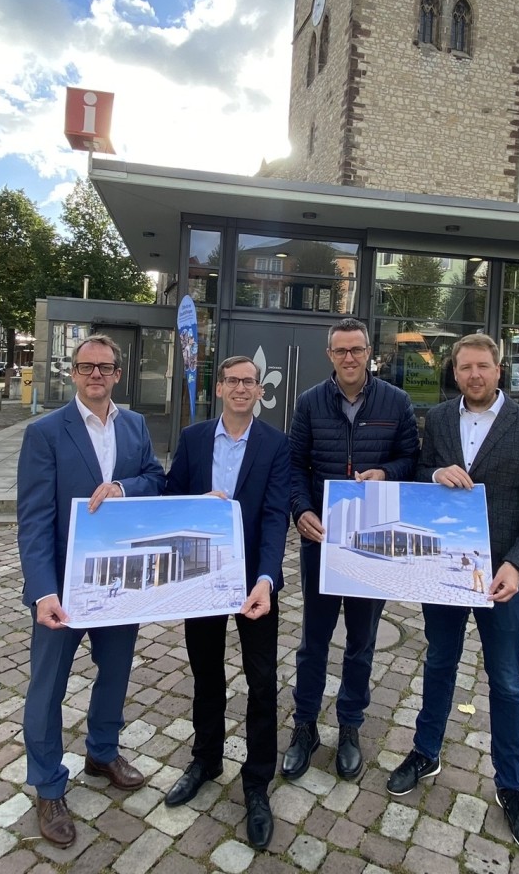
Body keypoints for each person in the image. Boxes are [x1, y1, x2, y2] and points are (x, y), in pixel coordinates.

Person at [385, 333, 519, 853]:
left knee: (505, 681)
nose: (474, 375)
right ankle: (425, 750)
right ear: (454, 371)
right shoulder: (438, 419)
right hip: (446, 569)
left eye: (483, 366)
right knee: (439, 661)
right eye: (465, 367)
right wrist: (435, 471)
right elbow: (419, 473)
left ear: (498, 370)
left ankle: (511, 785)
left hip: (502, 576)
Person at [16, 334, 166, 848]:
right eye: (86, 367)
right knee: (47, 688)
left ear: (117, 374)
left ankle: (102, 752)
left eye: (104, 367)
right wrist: (42, 592)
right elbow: (33, 519)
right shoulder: (45, 433)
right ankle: (48, 785)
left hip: (120, 583)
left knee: (116, 673)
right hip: (63, 589)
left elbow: (155, 478)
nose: (95, 375)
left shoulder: (136, 426)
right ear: (73, 373)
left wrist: (125, 488)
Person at [163, 355, 291, 850]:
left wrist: (267, 579)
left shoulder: (275, 444)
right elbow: (173, 498)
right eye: (233, 381)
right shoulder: (195, 440)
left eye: (249, 382)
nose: (241, 389)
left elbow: (277, 513)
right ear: (218, 389)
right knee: (206, 672)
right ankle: (206, 758)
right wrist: (198, 507)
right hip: (202, 580)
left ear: (260, 391)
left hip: (255, 585)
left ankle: (256, 782)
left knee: (262, 682)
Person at [284, 317, 418, 781]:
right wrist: (300, 509)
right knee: (313, 641)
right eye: (340, 351)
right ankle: (304, 727)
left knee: (361, 642)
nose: (349, 358)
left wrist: (387, 473)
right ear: (330, 355)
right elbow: (294, 465)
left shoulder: (396, 402)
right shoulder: (308, 403)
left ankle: (350, 725)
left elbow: (411, 460)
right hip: (322, 537)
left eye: (356, 350)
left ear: (369, 353)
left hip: (372, 540)